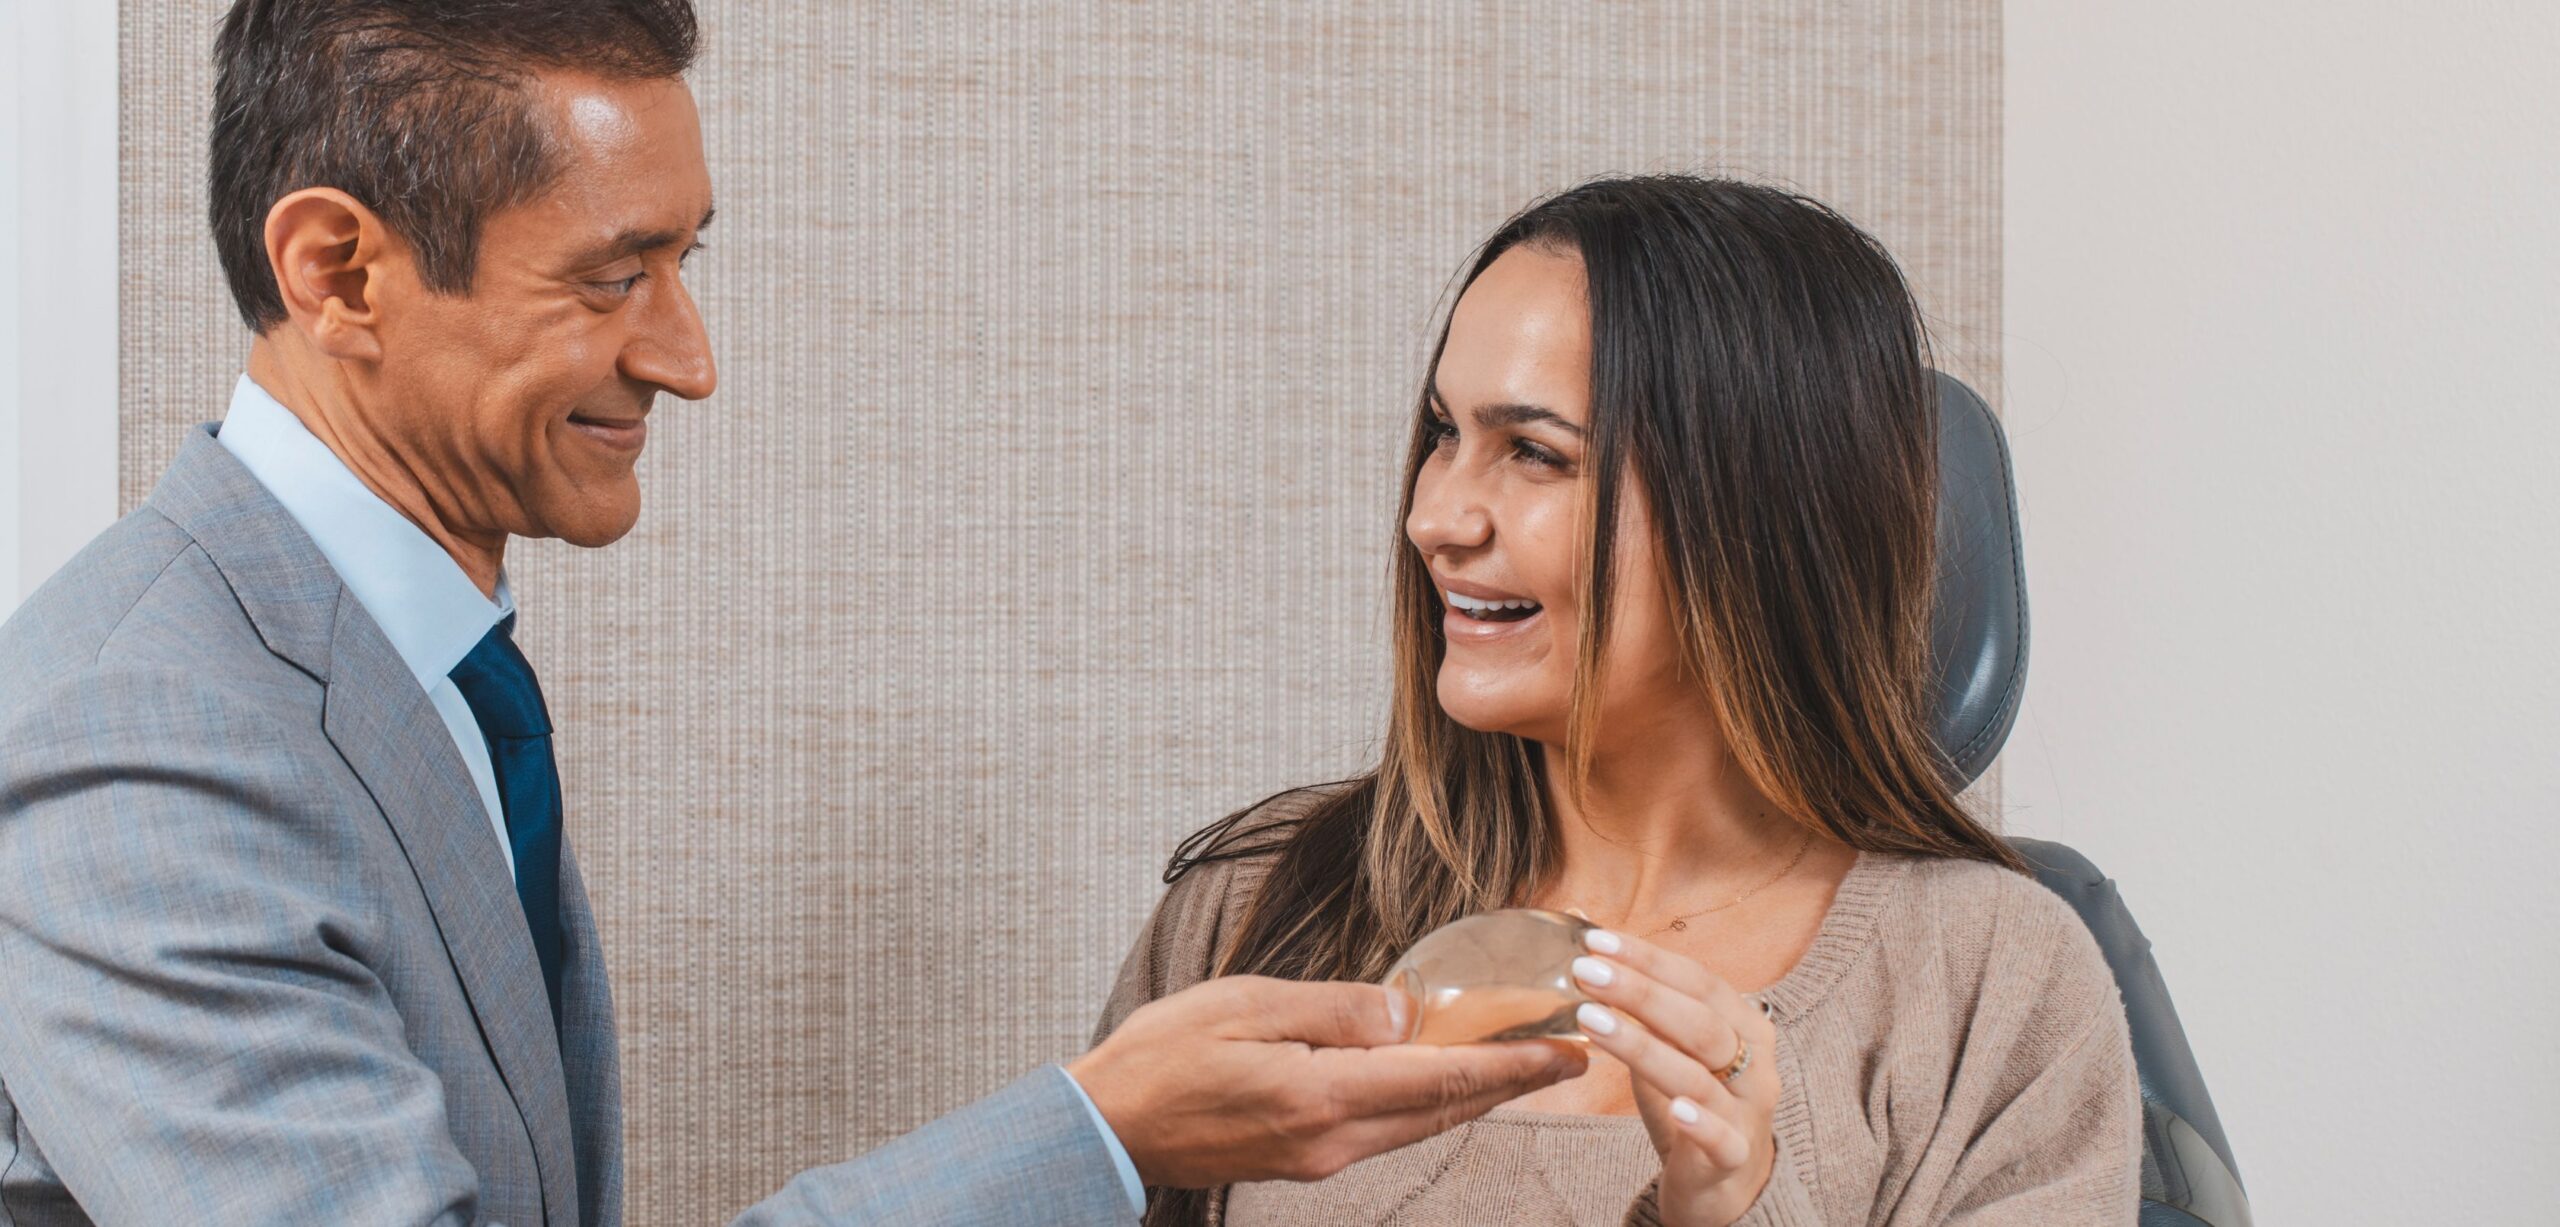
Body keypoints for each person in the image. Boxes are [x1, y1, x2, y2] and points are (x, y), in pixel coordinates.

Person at [0, 3, 1580, 1224]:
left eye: (685, 263)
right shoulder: (140, 740)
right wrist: (1096, 1133)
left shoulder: (404, 662)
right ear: (340, 270)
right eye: (617, 277)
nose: (690, 357)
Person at [1096, 175, 2144, 1226]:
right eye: (1441, 434)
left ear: (1759, 515)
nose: (1436, 518)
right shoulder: (1261, 907)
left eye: (1535, 453)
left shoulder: (1996, 987)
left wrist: (1736, 1212)